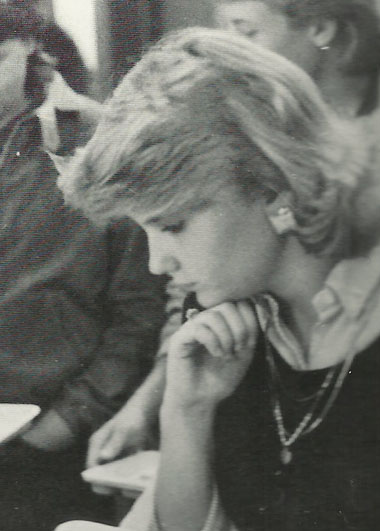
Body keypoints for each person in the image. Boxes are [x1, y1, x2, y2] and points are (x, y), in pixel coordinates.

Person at [56, 27, 380, 531]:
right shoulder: (221, 314)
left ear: (275, 187)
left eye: (174, 226)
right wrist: (186, 408)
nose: (157, 264)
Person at [0, 5, 166, 531]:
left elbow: (140, 310)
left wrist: (63, 425)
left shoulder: (93, 142)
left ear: (29, 48)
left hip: (49, 449)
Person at [214, 0, 380, 195]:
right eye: (225, 34)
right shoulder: (252, 119)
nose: (229, 52)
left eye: (247, 33)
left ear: (321, 30)